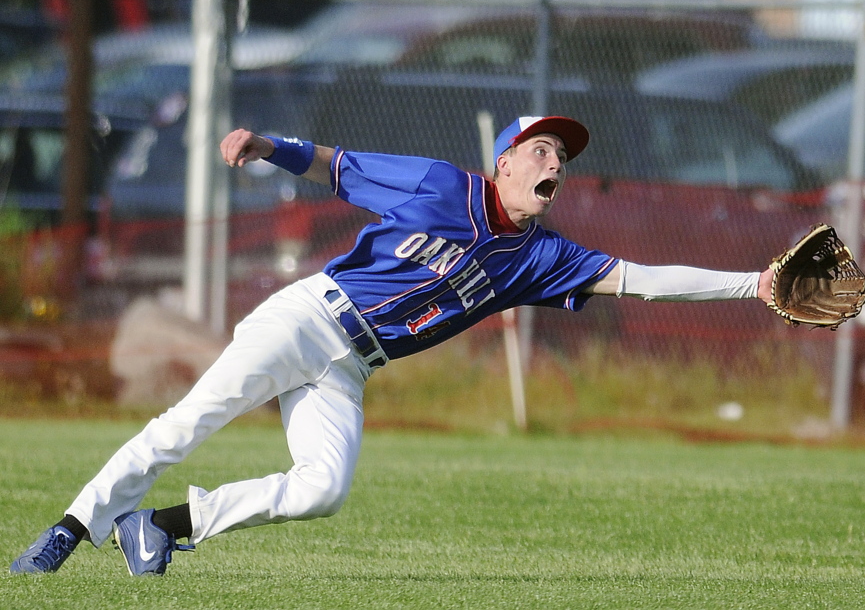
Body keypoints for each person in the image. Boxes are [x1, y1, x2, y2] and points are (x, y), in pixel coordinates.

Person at [11, 115, 775, 576]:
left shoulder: (543, 257)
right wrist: (263, 145)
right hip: (308, 316)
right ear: (502, 162)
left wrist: (756, 286)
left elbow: (643, 277)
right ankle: (68, 530)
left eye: (562, 160)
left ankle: (163, 526)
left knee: (323, 488)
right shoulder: (441, 185)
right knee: (185, 423)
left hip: (349, 366)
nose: (554, 165)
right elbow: (335, 167)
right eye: (540, 151)